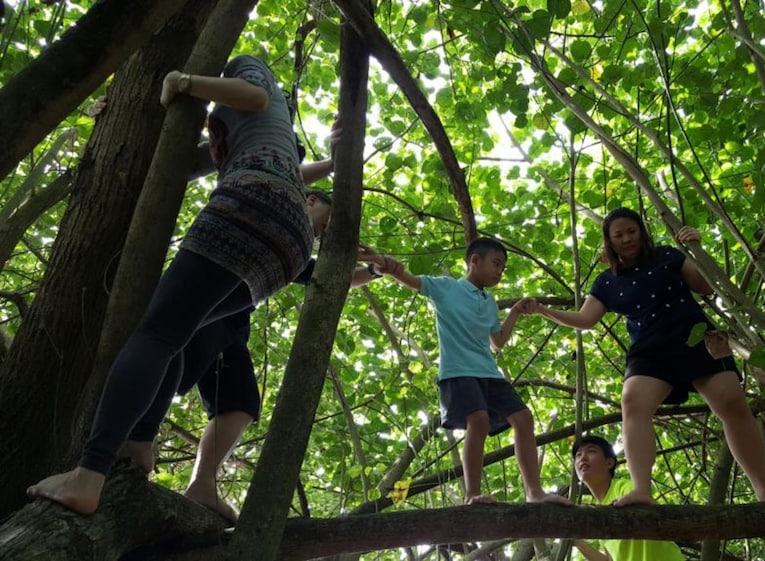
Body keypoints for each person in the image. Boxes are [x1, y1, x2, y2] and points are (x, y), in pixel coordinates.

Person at [27, 54, 369, 515]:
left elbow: (254, 94)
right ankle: (139, 443)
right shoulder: (253, 138)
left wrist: (183, 81)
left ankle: (89, 473)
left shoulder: (247, 69)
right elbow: (181, 165)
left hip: (250, 208)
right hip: (286, 248)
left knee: (157, 334)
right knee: (176, 335)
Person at [522, 208, 765, 505]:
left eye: (631, 231)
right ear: (609, 242)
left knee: (732, 403)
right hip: (650, 347)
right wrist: (542, 310)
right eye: (619, 235)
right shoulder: (607, 281)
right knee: (633, 403)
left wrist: (695, 248)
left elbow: (706, 285)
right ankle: (641, 490)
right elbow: (585, 319)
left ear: (642, 232)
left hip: (696, 335)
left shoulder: (668, 255)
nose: (627, 239)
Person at [121, 248, 390, 523]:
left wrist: (374, 270)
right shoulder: (280, 234)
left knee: (240, 402)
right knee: (166, 368)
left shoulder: (289, 253)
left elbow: (331, 276)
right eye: (326, 225)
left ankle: (201, 484)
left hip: (231, 328)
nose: (324, 234)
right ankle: (132, 442)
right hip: (202, 303)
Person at [378, 238, 570, 505]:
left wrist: (514, 312)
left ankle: (534, 492)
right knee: (478, 420)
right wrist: (385, 266)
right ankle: (472, 494)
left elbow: (497, 341)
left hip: (489, 373)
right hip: (458, 371)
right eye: (496, 264)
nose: (499, 272)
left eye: (503, 267)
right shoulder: (447, 287)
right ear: (475, 261)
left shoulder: (489, 301)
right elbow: (410, 280)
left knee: (524, 418)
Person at [572, 435, 685, 561]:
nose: (582, 458)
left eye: (591, 451)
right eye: (578, 455)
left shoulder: (625, 488)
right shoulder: (599, 510)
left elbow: (642, 509)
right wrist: (578, 542)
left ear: (609, 463)